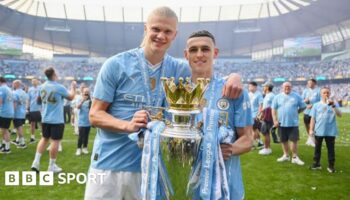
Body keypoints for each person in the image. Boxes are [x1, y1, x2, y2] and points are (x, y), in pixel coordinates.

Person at [85, 6, 243, 200]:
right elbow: (95, 114)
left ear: (174, 35)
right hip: (108, 164)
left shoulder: (179, 69)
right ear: (146, 28)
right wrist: (128, 126)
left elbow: (207, 73)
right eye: (156, 29)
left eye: (167, 31)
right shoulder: (116, 65)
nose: (161, 35)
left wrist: (235, 77)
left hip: (150, 169)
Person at [184, 30, 253, 200]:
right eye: (193, 50)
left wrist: (228, 149)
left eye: (205, 49)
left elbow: (247, 139)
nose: (199, 54)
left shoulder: (232, 90)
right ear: (186, 55)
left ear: (215, 53)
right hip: (185, 186)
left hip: (226, 188)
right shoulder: (176, 92)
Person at [31, 67, 76, 173]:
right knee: (55, 141)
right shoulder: (59, 87)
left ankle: (36, 163)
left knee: (44, 139)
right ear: (54, 74)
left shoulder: (42, 86)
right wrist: (73, 87)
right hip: (56, 119)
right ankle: (51, 166)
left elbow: (38, 101)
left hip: (45, 118)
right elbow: (71, 97)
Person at [272, 82, 306, 165]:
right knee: (283, 140)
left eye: (289, 86)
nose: (287, 88)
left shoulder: (296, 96)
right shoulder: (277, 97)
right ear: (282, 87)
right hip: (281, 123)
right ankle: (286, 155)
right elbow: (273, 109)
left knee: (294, 140)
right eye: (285, 86)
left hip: (293, 123)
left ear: (291, 87)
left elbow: (303, 106)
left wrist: (296, 112)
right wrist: (275, 120)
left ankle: (294, 157)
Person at [309, 87, 342, 173]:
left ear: (329, 94)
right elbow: (313, 118)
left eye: (327, 93)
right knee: (317, 148)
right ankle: (316, 164)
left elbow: (340, 115)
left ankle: (331, 166)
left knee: (331, 149)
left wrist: (333, 106)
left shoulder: (334, 104)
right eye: (324, 93)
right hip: (319, 130)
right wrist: (311, 129)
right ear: (321, 94)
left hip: (331, 131)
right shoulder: (316, 105)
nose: (326, 94)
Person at [302, 79, 320, 147]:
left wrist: (313, 105)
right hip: (307, 111)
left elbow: (321, 101)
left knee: (314, 125)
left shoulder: (318, 91)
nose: (309, 84)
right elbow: (302, 100)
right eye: (308, 83)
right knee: (306, 124)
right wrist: (305, 102)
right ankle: (310, 137)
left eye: (310, 83)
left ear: (314, 83)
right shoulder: (305, 91)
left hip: (315, 111)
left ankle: (313, 139)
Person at [259, 81, 275, 155]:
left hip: (268, 116)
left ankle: (267, 148)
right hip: (266, 115)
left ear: (267, 87)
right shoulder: (267, 95)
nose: (263, 87)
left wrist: (264, 110)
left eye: (264, 86)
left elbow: (274, 106)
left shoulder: (271, 95)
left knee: (265, 132)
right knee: (265, 132)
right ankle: (267, 147)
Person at [12, 80, 29, 149]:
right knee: (20, 127)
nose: (13, 85)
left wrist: (12, 112)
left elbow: (14, 104)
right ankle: (18, 141)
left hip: (17, 113)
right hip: (23, 112)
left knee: (19, 128)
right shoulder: (24, 92)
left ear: (16, 84)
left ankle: (22, 143)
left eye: (13, 84)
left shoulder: (15, 93)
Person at [75, 87, 92, 156]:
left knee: (86, 136)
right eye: (85, 92)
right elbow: (77, 107)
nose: (86, 93)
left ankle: (85, 148)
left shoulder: (91, 100)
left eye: (87, 92)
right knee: (81, 136)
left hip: (88, 121)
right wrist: (82, 100)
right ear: (82, 92)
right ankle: (78, 149)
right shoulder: (79, 98)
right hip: (81, 121)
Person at [0, 77, 14, 154]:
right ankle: (4, 145)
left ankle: (7, 148)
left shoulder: (2, 89)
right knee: (4, 129)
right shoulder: (9, 89)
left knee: (5, 130)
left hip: (3, 112)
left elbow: (0, 101)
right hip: (8, 111)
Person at [248, 81, 264, 149]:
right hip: (250, 114)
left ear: (255, 87)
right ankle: (260, 142)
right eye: (249, 86)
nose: (249, 88)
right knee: (255, 130)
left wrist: (259, 114)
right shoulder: (249, 94)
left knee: (253, 130)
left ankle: (253, 144)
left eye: (250, 86)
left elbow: (261, 105)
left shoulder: (258, 94)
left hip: (255, 114)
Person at [27, 78, 42, 144]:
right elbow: (28, 99)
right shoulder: (30, 89)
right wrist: (28, 107)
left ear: (38, 81)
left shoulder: (41, 88)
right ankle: (32, 137)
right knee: (32, 123)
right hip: (32, 108)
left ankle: (44, 136)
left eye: (35, 81)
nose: (33, 82)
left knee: (41, 123)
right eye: (32, 81)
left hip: (40, 109)